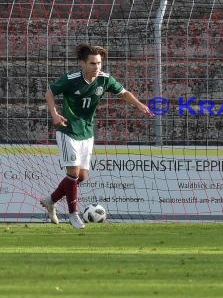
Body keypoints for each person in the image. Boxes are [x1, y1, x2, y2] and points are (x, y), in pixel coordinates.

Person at [40, 44, 153, 229]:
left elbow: (123, 93)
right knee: (73, 173)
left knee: (82, 176)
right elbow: (50, 92)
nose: (97, 67)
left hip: (87, 132)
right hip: (67, 130)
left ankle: (50, 200)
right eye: (93, 63)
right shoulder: (71, 79)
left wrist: (139, 105)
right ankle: (73, 214)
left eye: (99, 63)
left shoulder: (104, 80)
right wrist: (54, 114)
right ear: (82, 63)